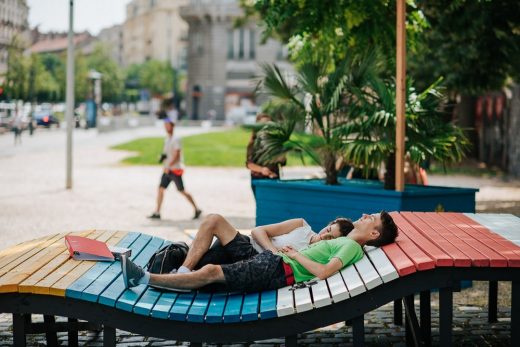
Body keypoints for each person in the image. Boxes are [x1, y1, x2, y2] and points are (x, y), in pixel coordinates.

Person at [122, 211, 398, 292]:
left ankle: (145, 278)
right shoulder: (345, 242)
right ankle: (177, 272)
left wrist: (293, 255)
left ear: (373, 234)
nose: (364, 215)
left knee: (211, 272)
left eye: (370, 218)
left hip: (280, 268)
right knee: (214, 226)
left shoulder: (350, 245)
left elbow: (325, 271)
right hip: (272, 260)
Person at [174, 215, 355, 275]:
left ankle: (181, 271)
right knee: (212, 221)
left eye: (331, 237)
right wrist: (273, 251)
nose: (325, 235)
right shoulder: (301, 225)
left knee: (214, 222)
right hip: (247, 246)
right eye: (328, 228)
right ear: (328, 223)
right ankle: (182, 270)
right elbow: (258, 231)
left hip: (257, 263)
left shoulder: (317, 251)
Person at [148, 118, 201, 220]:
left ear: (172, 126)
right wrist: (162, 158)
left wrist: (168, 166)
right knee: (160, 189)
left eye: (168, 125)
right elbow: (168, 154)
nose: (166, 127)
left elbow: (177, 155)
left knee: (182, 190)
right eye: (165, 126)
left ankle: (197, 209)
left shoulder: (176, 139)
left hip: (174, 170)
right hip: (167, 170)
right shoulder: (167, 139)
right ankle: (157, 212)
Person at [246, 113, 286, 197]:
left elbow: (283, 163)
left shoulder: (276, 143)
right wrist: (262, 170)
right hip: (258, 180)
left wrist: (282, 157)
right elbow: (249, 164)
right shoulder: (252, 144)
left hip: (274, 179)